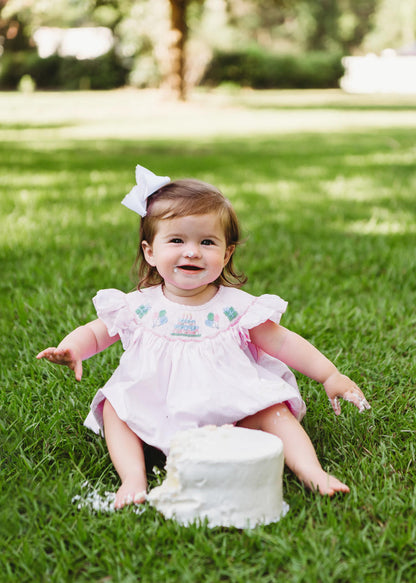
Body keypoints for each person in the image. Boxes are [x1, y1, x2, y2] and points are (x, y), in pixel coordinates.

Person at [37, 164, 371, 509]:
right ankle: (133, 480)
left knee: (274, 413)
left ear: (227, 253)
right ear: (150, 251)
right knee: (115, 409)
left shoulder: (236, 308)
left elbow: (283, 343)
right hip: (157, 404)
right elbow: (97, 332)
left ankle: (313, 472)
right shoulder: (139, 306)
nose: (192, 251)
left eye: (207, 242)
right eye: (177, 240)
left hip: (231, 404)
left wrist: (329, 375)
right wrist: (73, 347)